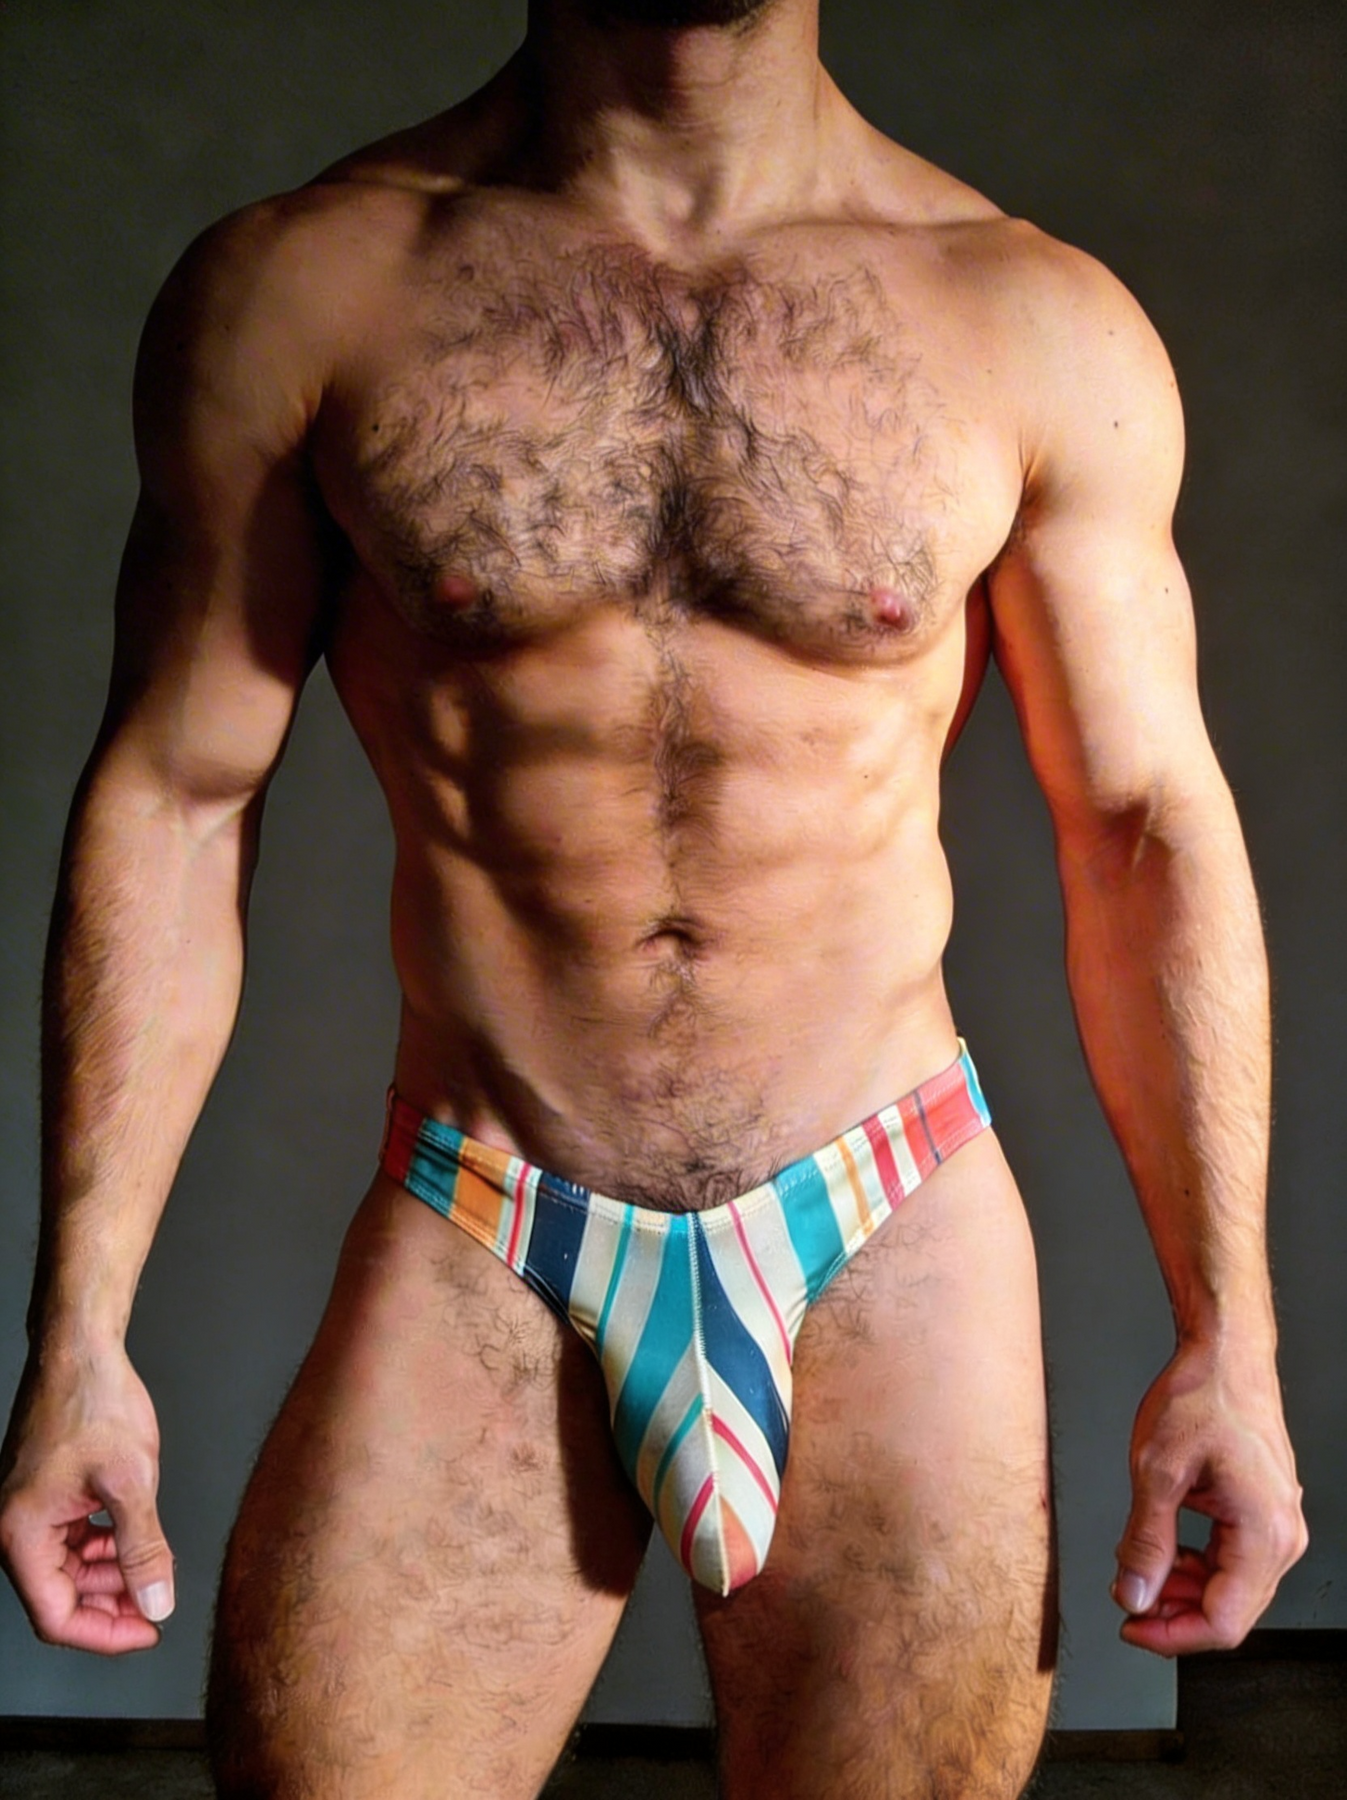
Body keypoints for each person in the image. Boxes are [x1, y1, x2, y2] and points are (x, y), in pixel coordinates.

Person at [0, 0, 1307, 1794]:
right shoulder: (312, 287)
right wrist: (78, 1337)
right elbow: (174, 796)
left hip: (885, 1215)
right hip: (491, 1206)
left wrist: (1230, 1341)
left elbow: (1142, 828)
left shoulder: (1025, 315)